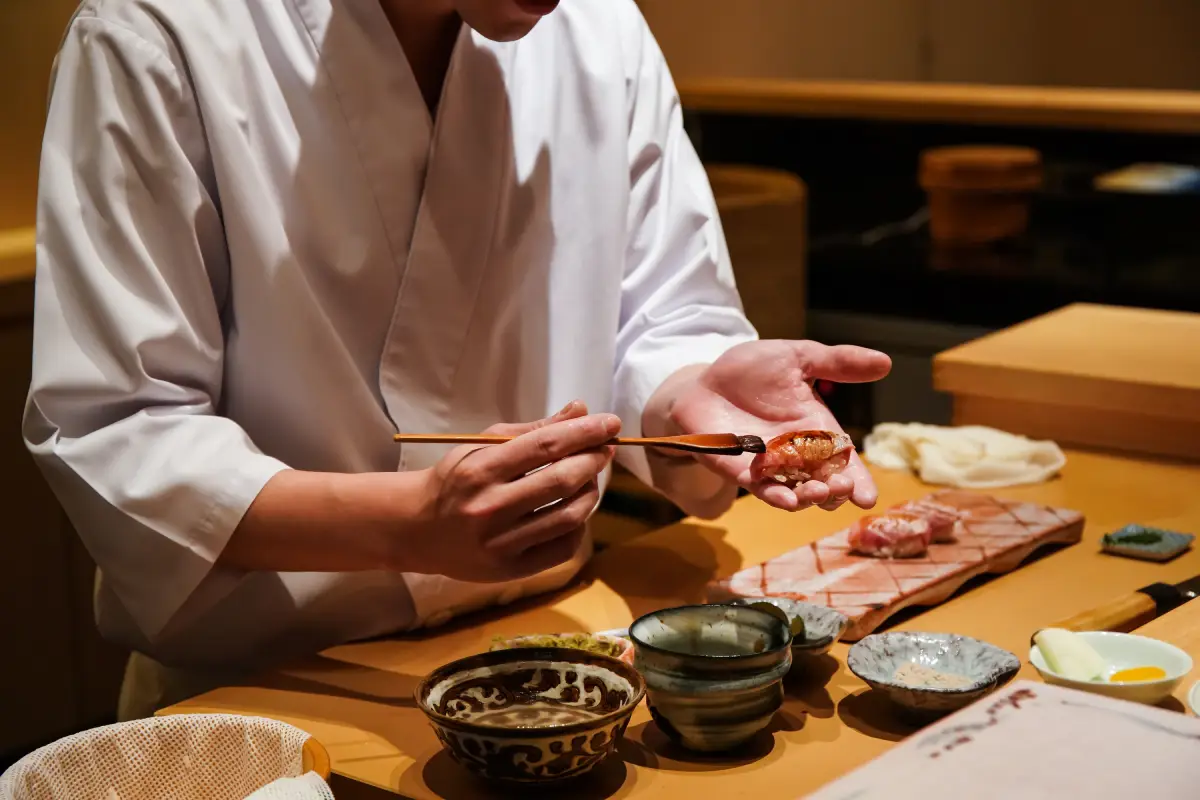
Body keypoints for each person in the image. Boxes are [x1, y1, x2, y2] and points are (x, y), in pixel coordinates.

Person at [24, 0, 892, 720]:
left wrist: (693, 385)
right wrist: (405, 523)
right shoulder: (159, 33)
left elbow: (660, 311)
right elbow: (122, 428)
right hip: (268, 696)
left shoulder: (601, 28)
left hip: (556, 655)